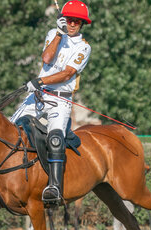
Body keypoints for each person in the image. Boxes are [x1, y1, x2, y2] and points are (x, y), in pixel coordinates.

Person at [10, 0, 92, 204]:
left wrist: (40, 81)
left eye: (77, 21)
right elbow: (47, 59)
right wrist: (58, 33)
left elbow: (67, 74)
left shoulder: (84, 47)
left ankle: (54, 187)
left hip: (60, 101)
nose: (72, 24)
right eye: (69, 20)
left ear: (82, 24)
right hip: (37, 96)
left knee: (55, 139)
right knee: (9, 130)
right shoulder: (52, 35)